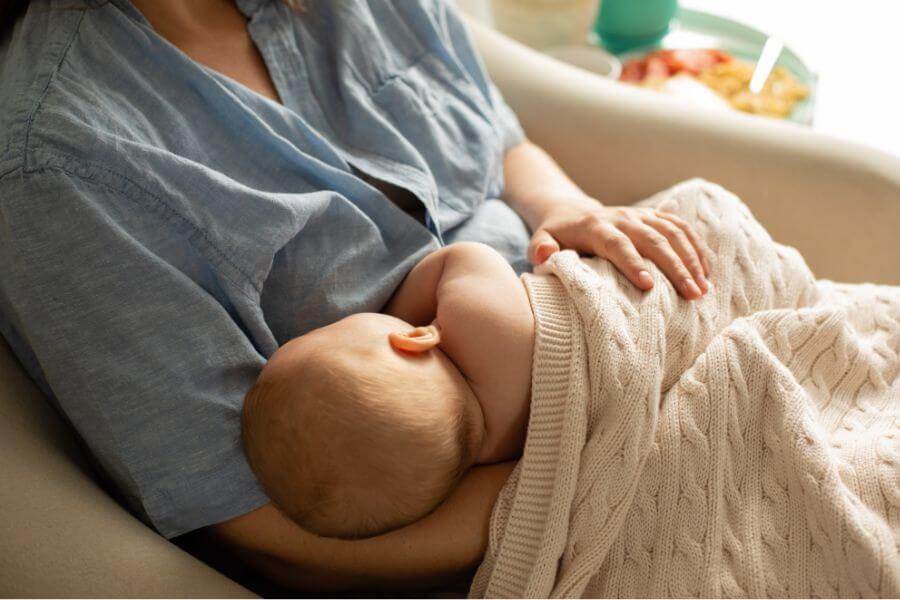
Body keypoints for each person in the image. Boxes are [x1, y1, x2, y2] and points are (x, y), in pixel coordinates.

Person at [0, 0, 711, 591]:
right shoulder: (61, 163)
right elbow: (271, 536)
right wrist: (604, 477)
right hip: (552, 499)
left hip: (628, 317)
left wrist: (563, 205)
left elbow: (498, 140)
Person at [242, 242, 534, 540]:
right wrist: (398, 312)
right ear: (414, 339)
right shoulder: (486, 334)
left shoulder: (494, 458)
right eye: (325, 331)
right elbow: (467, 256)